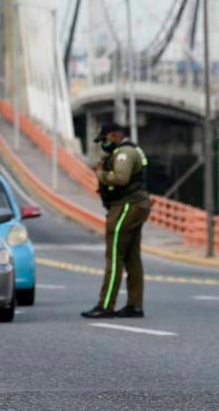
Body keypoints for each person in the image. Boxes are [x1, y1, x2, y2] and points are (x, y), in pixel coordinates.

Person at [82, 122, 151, 319]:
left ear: (114, 135)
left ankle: (106, 305)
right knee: (132, 258)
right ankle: (134, 305)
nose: (103, 144)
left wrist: (101, 174)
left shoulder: (124, 154)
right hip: (136, 205)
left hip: (125, 207)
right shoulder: (131, 151)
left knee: (114, 256)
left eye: (104, 139)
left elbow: (121, 178)